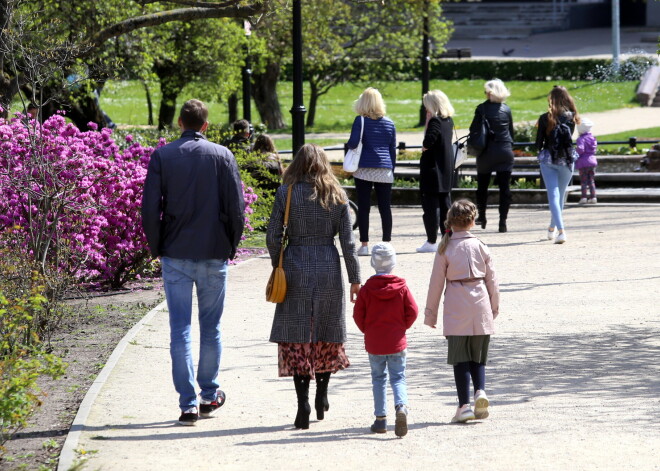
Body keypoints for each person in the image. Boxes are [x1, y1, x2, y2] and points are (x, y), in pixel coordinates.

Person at [141, 99, 245, 426]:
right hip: (214, 250)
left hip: (176, 251)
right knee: (211, 327)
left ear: (179, 122)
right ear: (206, 125)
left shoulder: (163, 155)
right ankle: (209, 394)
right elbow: (237, 209)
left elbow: (149, 209)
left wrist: (157, 247)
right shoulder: (223, 156)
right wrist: (231, 245)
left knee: (180, 329)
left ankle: (187, 403)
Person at [266, 143, 361, 430]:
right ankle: (321, 394)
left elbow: (272, 237)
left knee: (298, 334)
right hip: (328, 267)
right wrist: (355, 278)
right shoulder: (337, 195)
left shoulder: (287, 192)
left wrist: (277, 264)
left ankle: (302, 404)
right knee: (326, 331)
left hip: (294, 265)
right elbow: (348, 243)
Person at [423, 199, 500, 423]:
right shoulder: (481, 246)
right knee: (478, 357)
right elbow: (492, 280)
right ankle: (481, 392)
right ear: (473, 221)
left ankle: (464, 406)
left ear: (450, 222)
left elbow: (435, 284)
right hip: (480, 303)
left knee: (460, 358)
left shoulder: (445, 248)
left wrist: (431, 314)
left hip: (456, 303)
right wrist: (494, 307)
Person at [353, 242, 418, 437]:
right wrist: (401, 327)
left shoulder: (366, 290)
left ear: (373, 262)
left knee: (378, 379)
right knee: (398, 377)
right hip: (396, 340)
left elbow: (358, 315)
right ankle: (401, 407)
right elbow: (413, 311)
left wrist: (368, 330)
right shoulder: (401, 287)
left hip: (375, 342)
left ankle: (380, 419)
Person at [346, 87, 397, 256]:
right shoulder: (389, 123)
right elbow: (392, 150)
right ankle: (387, 244)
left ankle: (365, 245)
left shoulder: (360, 120)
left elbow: (353, 143)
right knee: (385, 208)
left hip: (364, 168)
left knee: (364, 207)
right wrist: (391, 169)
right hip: (384, 168)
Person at [535, 85, 580, 244]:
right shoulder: (572, 117)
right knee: (560, 196)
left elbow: (538, 143)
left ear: (551, 99)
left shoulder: (544, 118)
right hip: (567, 159)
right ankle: (552, 229)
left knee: (553, 196)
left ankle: (561, 231)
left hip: (548, 159)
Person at [468, 79, 514, 233]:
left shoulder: (481, 109)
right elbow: (511, 132)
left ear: (489, 93)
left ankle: (482, 216)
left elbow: (474, 129)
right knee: (504, 188)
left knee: (482, 186)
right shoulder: (506, 109)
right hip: (505, 150)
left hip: (486, 151)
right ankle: (503, 222)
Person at [416, 89, 455, 253]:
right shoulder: (449, 121)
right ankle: (449, 238)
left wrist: (428, 121)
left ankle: (431, 240)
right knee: (446, 206)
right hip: (445, 168)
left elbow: (427, 142)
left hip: (432, 169)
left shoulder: (435, 122)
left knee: (431, 208)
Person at [575, 118, 598, 204]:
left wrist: (575, 152)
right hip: (592, 161)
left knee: (584, 181)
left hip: (583, 162)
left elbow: (581, 149)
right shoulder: (592, 138)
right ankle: (593, 197)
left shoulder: (580, 139)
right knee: (591, 180)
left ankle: (584, 197)